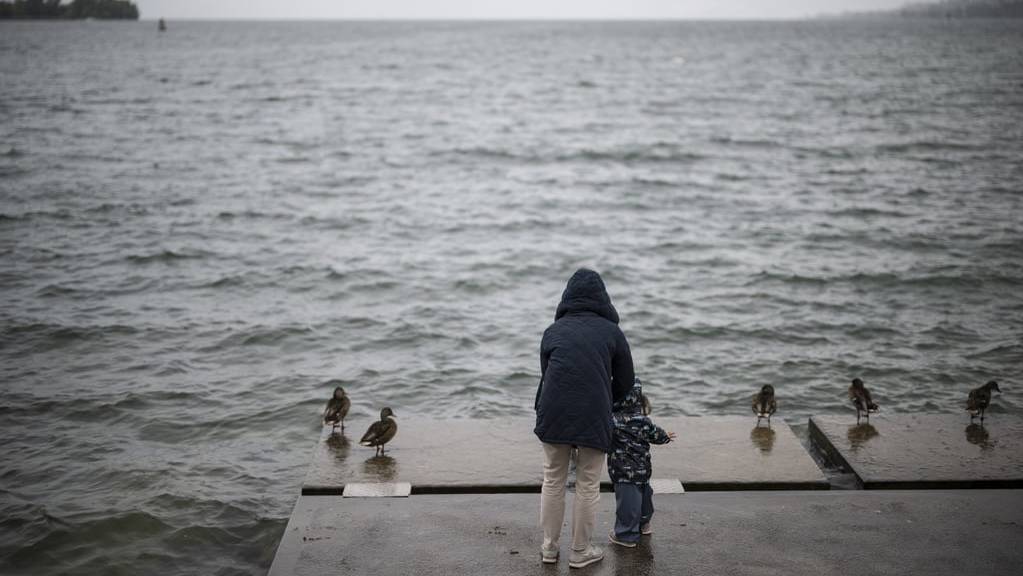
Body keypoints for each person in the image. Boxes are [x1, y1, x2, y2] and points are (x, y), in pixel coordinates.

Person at [534, 268, 635, 568]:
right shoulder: (612, 332)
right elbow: (627, 381)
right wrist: (605, 399)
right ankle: (580, 551)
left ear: (568, 297)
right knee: (588, 483)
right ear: (603, 298)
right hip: (593, 413)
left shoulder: (553, 331)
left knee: (553, 479)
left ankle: (549, 549)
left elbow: (548, 376)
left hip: (552, 412)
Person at [606, 380, 675, 547]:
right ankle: (644, 524)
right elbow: (655, 434)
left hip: (623, 471)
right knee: (645, 497)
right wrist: (665, 436)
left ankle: (626, 535)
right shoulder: (643, 420)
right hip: (643, 469)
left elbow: (600, 436)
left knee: (628, 503)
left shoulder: (611, 421)